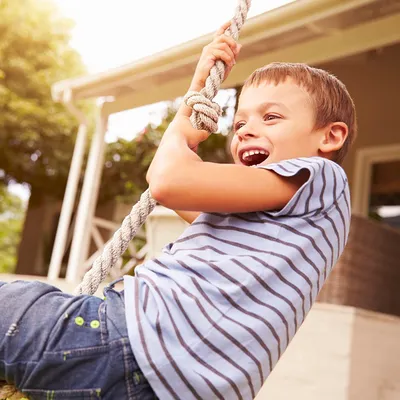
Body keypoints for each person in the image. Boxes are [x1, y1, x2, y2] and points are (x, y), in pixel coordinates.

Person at [0, 21, 356, 400]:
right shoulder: (266, 225)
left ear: (329, 136)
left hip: (138, 346)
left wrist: (186, 114)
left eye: (270, 117)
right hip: (167, 383)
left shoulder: (320, 176)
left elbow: (167, 180)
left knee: (13, 306)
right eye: (239, 122)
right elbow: (175, 191)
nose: (245, 131)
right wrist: (198, 90)